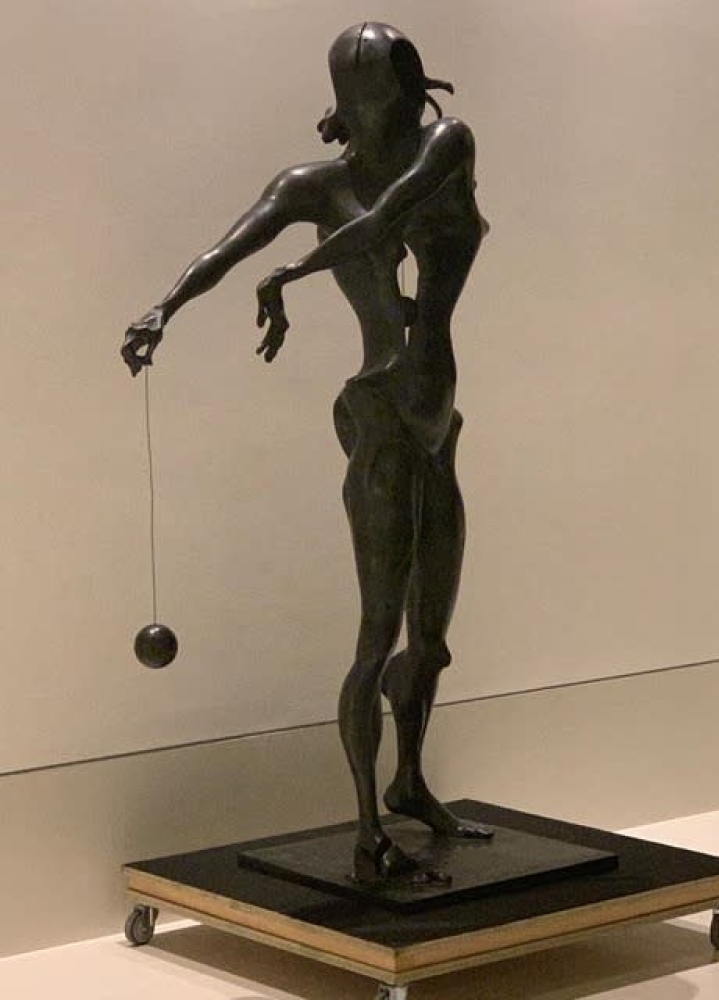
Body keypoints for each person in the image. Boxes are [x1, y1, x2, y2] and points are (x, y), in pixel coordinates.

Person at [122, 22, 491, 884]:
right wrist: (163, 308)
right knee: (376, 636)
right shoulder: (313, 186)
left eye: (384, 85)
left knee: (429, 641)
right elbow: (227, 247)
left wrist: (288, 276)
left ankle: (408, 782)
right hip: (383, 416)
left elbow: (389, 217)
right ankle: (367, 829)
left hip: (438, 424)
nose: (376, 103)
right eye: (363, 89)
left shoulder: (447, 146)